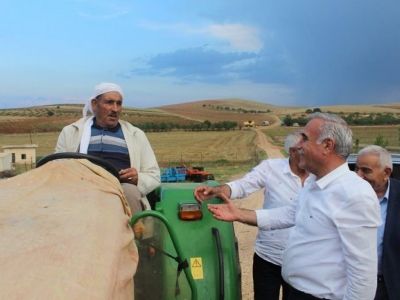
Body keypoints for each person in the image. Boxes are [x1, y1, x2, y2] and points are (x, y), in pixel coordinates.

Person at [195, 112, 382, 300]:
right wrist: (239, 214)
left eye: (305, 139)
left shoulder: (354, 194)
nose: (298, 146)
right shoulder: (314, 183)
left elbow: (363, 274)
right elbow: (290, 214)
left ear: (327, 146)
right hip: (296, 291)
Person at [193, 131, 316, 300]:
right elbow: (242, 185)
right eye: (305, 148)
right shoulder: (271, 168)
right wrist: (217, 191)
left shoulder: (318, 176)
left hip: (303, 260)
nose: (310, 152)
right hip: (268, 257)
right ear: (293, 151)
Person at [55, 82, 160, 216]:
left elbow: (153, 175)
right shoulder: (71, 132)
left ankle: (136, 236)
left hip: (121, 188)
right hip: (81, 185)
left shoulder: (136, 135)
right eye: (109, 102)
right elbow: (57, 168)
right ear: (94, 104)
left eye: (119, 103)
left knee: (131, 192)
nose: (115, 109)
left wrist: (138, 178)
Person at [354, 145, 400, 300]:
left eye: (366, 170)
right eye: (356, 169)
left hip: (390, 287)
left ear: (386, 173)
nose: (358, 175)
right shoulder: (347, 196)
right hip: (352, 283)